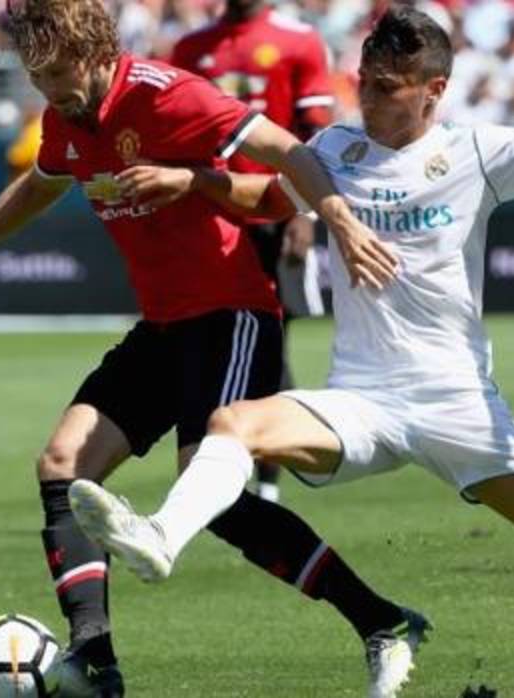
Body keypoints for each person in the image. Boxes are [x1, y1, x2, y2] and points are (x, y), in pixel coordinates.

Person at [71, 6, 514, 697]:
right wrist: (193, 178)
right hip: (360, 399)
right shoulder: (333, 150)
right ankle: (162, 537)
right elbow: (268, 201)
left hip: (458, 401)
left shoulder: (476, 151)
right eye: (363, 79)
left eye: (388, 89)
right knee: (233, 424)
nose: (368, 97)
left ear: (434, 91)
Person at [0, 1, 425, 696]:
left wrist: (341, 224)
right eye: (36, 76)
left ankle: (382, 621)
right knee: (62, 464)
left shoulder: (168, 95)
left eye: (58, 71)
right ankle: (94, 662)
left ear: (93, 52)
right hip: (164, 327)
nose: (50, 89)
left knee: (215, 497)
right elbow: (42, 182)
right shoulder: (65, 121)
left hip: (232, 315)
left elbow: (291, 153)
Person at [170, 0, 335, 502]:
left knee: (269, 339)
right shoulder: (190, 48)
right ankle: (214, 465)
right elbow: (174, 135)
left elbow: (317, 135)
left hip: (274, 210)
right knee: (206, 338)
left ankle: (267, 479)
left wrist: (304, 214)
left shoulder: (298, 38)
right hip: (213, 215)